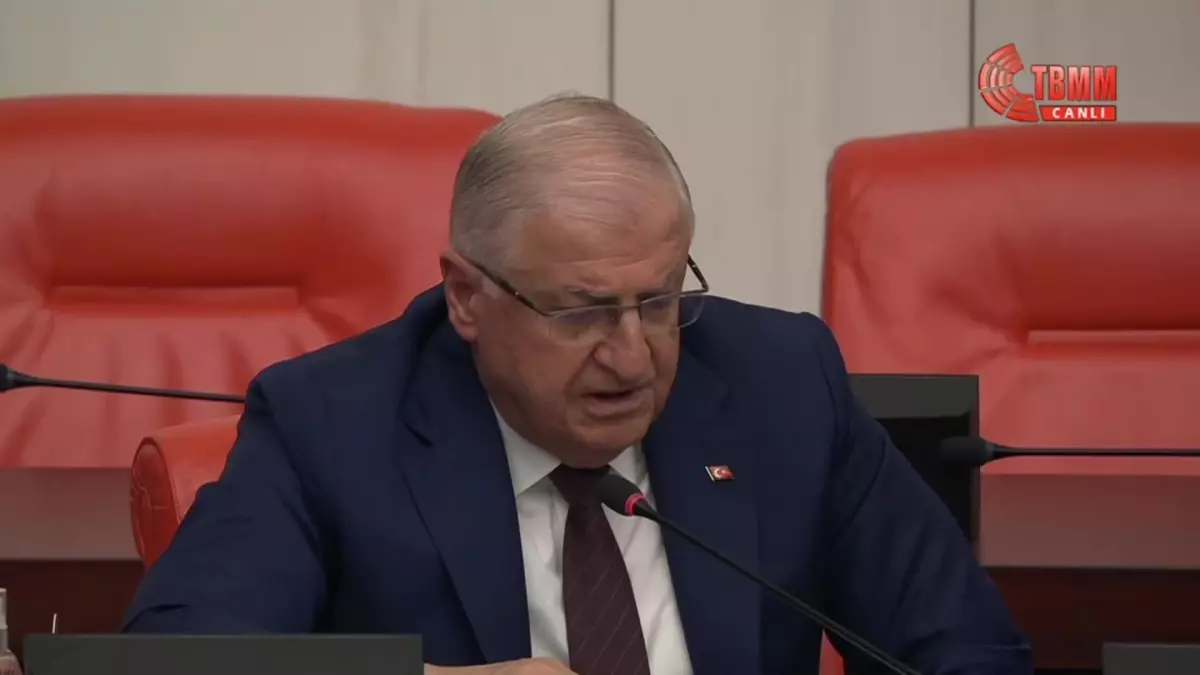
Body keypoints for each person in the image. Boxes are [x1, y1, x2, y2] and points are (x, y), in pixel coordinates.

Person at [122, 94, 1033, 675]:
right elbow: (178, 661)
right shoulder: (329, 421)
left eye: (661, 299)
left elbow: (971, 653)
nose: (634, 356)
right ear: (467, 296)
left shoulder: (783, 384)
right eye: (583, 312)